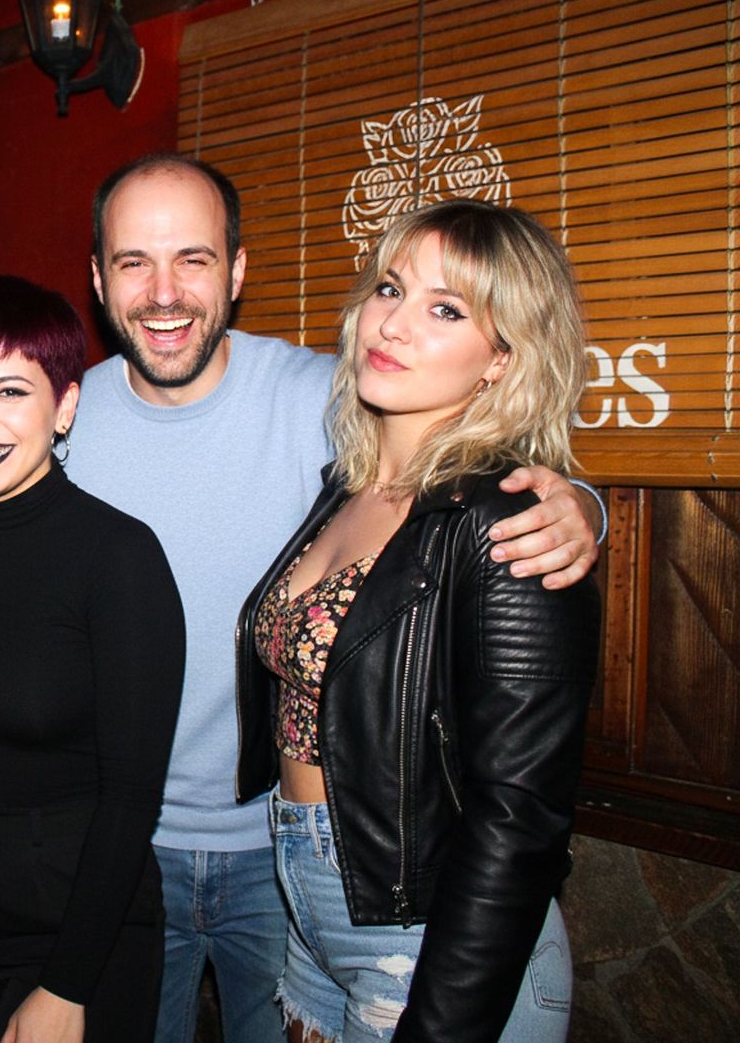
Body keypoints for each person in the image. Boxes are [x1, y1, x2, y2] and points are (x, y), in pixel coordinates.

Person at [66, 153, 604, 1043]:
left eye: (194, 259)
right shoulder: (65, 417)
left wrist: (580, 507)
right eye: (133, 262)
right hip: (144, 850)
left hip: (338, 878)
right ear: (96, 277)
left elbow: (520, 814)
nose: (165, 293)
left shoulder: (324, 392)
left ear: (237, 271)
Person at [235, 199, 599, 1041]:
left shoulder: (509, 521)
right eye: (390, 289)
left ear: (502, 359)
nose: (392, 324)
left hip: (431, 938)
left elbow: (521, 817)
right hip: (313, 904)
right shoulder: (347, 487)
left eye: (445, 309)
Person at [0, 276, 185, 1042]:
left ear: (65, 407)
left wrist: (66, 981)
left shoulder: (117, 556)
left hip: (76, 930)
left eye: (11, 390)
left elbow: (131, 796)